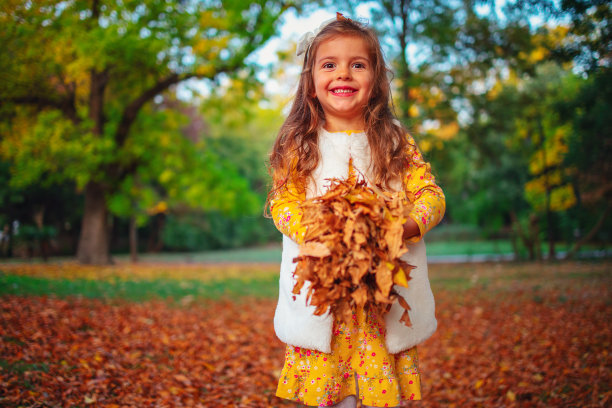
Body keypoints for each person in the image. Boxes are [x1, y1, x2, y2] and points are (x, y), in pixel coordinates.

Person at [267, 13, 445, 408]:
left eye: (357, 64)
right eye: (329, 65)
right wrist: (318, 233)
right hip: (324, 303)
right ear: (311, 83)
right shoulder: (300, 145)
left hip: (380, 305)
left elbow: (430, 193)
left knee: (382, 399)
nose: (343, 74)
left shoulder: (395, 141)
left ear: (376, 80)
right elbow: (282, 203)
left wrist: (406, 226)